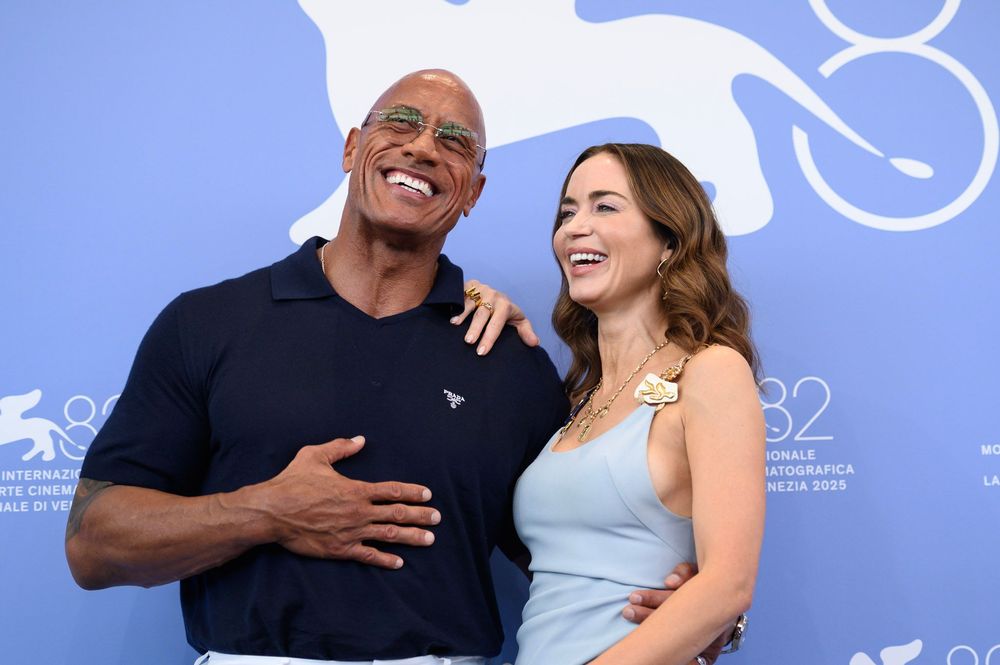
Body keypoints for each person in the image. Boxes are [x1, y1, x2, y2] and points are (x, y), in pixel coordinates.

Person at [64, 70, 716, 665]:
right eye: (401, 122)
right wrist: (266, 511)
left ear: (473, 191)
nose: (424, 147)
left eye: (455, 141)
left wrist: (678, 607)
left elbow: (567, 542)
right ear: (353, 148)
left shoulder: (508, 360)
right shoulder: (208, 323)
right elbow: (93, 544)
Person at [509, 144, 766, 664]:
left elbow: (728, 584)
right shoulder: (579, 400)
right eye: (567, 212)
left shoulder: (711, 371)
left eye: (605, 206)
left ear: (669, 240)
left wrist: (714, 620)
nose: (575, 227)